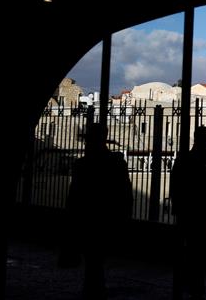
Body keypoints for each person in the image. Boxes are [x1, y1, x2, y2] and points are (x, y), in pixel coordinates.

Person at [65, 123, 133, 300]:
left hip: (88, 218)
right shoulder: (116, 163)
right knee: (96, 259)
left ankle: (93, 289)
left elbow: (74, 196)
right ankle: (95, 289)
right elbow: (125, 193)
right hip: (106, 217)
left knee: (92, 258)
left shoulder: (82, 164)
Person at [170, 126, 206, 300]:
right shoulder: (201, 158)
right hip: (197, 212)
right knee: (197, 251)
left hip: (194, 212)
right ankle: (195, 284)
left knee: (196, 251)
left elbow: (176, 186)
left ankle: (193, 282)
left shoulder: (187, 158)